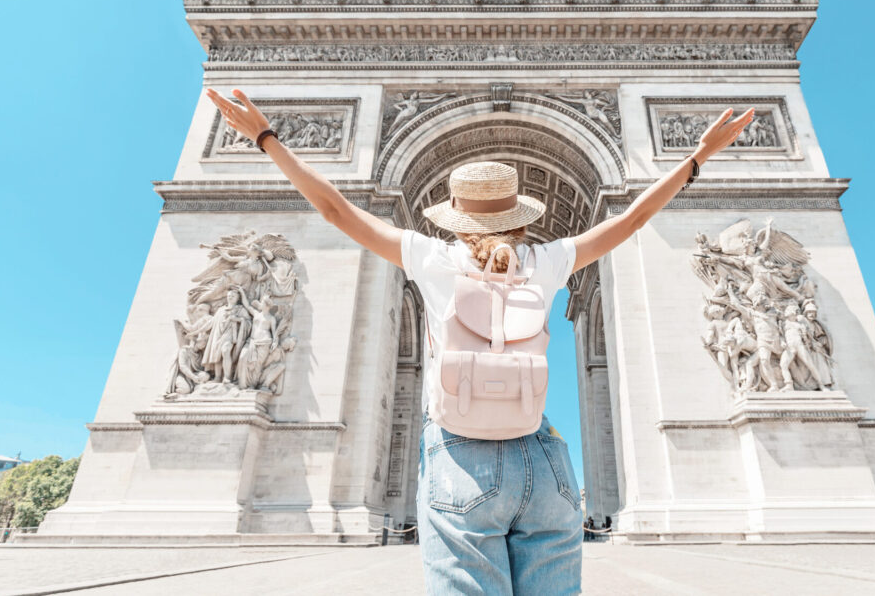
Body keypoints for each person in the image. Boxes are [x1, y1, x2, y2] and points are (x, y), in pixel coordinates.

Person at [205, 86, 753, 595]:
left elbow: (334, 209)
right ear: (519, 219)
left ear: (455, 216)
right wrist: (697, 157)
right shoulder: (548, 259)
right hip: (545, 460)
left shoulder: (432, 256)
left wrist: (266, 138)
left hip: (460, 460)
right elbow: (631, 221)